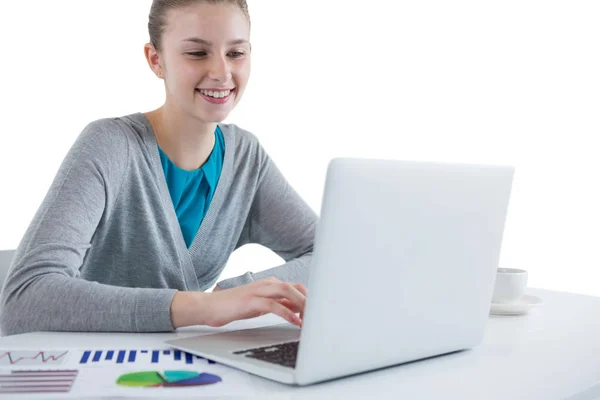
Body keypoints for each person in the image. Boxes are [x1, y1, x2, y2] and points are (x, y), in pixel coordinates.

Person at [0, 0, 317, 336]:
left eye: (236, 53)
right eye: (197, 53)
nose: (222, 72)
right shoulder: (109, 146)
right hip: (84, 368)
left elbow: (332, 255)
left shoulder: (245, 159)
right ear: (156, 60)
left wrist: (238, 293)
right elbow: (24, 300)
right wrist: (206, 307)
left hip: (175, 365)